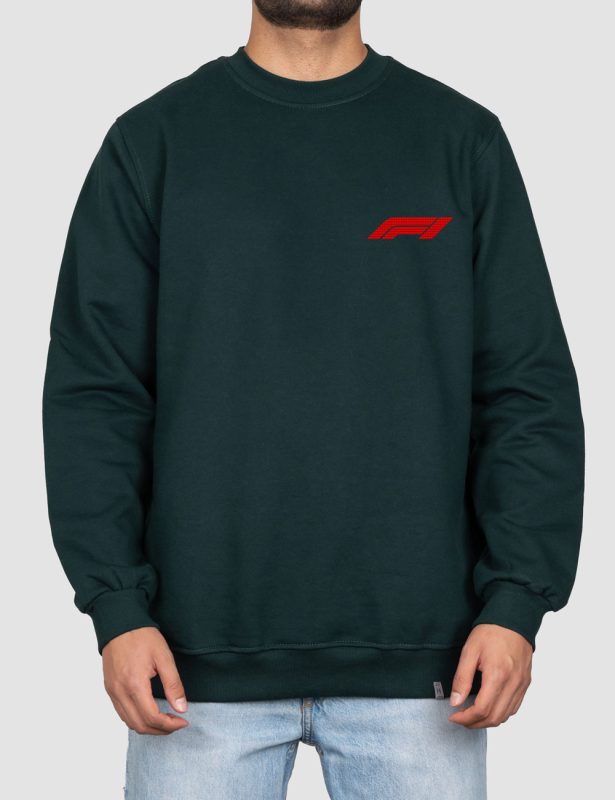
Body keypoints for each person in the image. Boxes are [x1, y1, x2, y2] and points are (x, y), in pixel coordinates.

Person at [42, 1, 585, 798]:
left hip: (425, 669)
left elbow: (525, 390)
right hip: (190, 671)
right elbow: (96, 393)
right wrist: (116, 606)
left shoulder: (456, 139)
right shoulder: (154, 141)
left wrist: (515, 602)